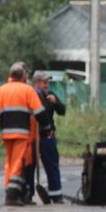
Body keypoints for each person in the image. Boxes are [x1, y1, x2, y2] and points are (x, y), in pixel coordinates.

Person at [0, 62, 53, 206]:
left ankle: (14, 192)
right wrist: (48, 128)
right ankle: (11, 196)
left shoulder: (1, 90)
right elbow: (40, 112)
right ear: (23, 75)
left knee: (10, 162)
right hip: (22, 134)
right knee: (17, 163)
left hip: (6, 134)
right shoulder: (28, 90)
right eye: (26, 74)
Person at [29, 70, 66, 203]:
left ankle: (56, 195)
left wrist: (55, 102)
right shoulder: (30, 95)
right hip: (32, 136)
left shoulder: (50, 95)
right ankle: (28, 195)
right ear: (37, 83)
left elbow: (62, 111)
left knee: (52, 165)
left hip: (47, 136)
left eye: (48, 82)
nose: (47, 85)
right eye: (44, 82)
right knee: (29, 166)